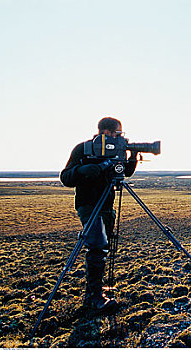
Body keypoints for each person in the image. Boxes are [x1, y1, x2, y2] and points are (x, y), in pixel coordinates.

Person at [60, 117, 138, 310]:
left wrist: (132, 156)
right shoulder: (84, 149)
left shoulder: (117, 150)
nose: (119, 137)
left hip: (107, 205)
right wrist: (84, 170)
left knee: (104, 247)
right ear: (106, 132)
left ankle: (97, 289)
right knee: (97, 246)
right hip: (88, 204)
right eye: (117, 134)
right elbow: (65, 177)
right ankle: (94, 298)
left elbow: (124, 172)